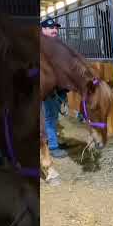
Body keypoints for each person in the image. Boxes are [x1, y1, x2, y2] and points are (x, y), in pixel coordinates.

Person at [41, 18, 69, 158]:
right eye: (51, 28)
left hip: (58, 89)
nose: (55, 30)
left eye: (56, 28)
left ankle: (54, 141)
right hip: (48, 90)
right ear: (43, 29)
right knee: (50, 117)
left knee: (54, 117)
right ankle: (52, 146)